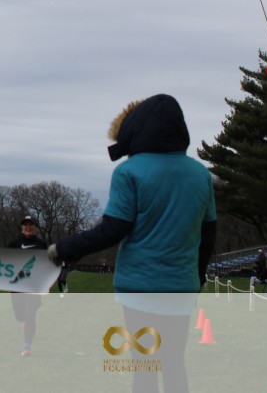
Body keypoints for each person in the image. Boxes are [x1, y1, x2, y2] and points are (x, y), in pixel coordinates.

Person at [47, 94, 216, 393]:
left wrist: (65, 248)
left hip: (140, 288)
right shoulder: (200, 174)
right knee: (174, 365)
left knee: (145, 369)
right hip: (181, 288)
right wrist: (197, 277)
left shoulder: (129, 171)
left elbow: (113, 229)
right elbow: (208, 234)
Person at [6, 215, 48, 357]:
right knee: (20, 316)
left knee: (30, 315)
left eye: (31, 224)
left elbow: (48, 264)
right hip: (17, 286)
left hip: (34, 287)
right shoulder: (14, 244)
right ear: (22, 227)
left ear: (35, 227)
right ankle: (25, 323)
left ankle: (27, 346)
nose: (28, 227)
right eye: (26, 224)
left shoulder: (42, 245)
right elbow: (4, 262)